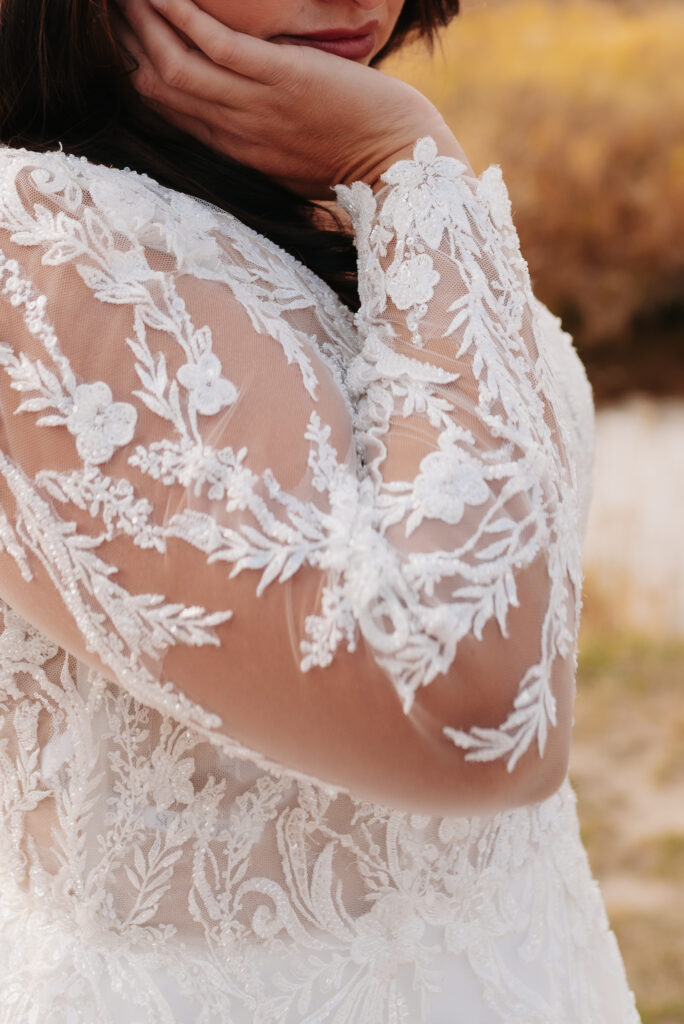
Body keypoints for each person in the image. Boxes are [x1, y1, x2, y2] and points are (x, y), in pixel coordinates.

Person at [0, 0, 640, 1019]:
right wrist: (409, 154)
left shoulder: (312, 161)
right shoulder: (31, 238)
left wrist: (385, 167)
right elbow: (475, 708)